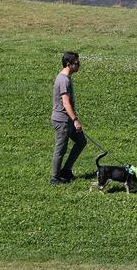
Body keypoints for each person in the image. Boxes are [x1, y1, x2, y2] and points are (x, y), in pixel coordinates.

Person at [50, 51, 86, 185]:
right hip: (62, 120)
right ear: (68, 64)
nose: (79, 65)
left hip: (68, 119)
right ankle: (55, 177)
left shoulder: (67, 77)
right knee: (61, 149)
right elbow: (65, 102)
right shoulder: (64, 80)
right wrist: (75, 120)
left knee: (81, 141)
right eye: (77, 63)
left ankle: (66, 170)